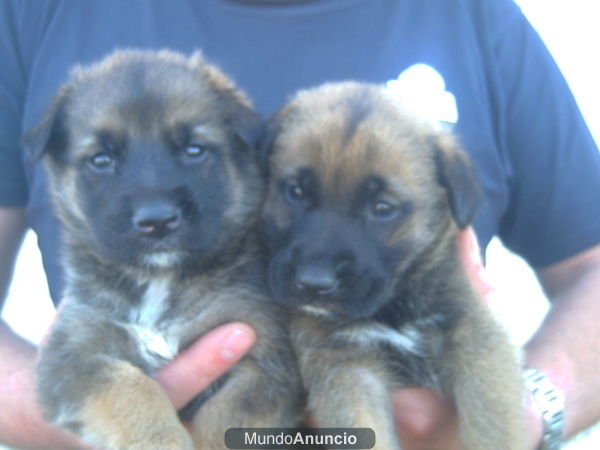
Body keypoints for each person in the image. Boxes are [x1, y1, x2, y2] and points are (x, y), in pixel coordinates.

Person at [1, 0, 599, 448]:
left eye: (194, 152)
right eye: (293, 193)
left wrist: (532, 409)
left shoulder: (476, 16)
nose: (152, 206)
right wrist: (73, 415)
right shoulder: (35, 12)